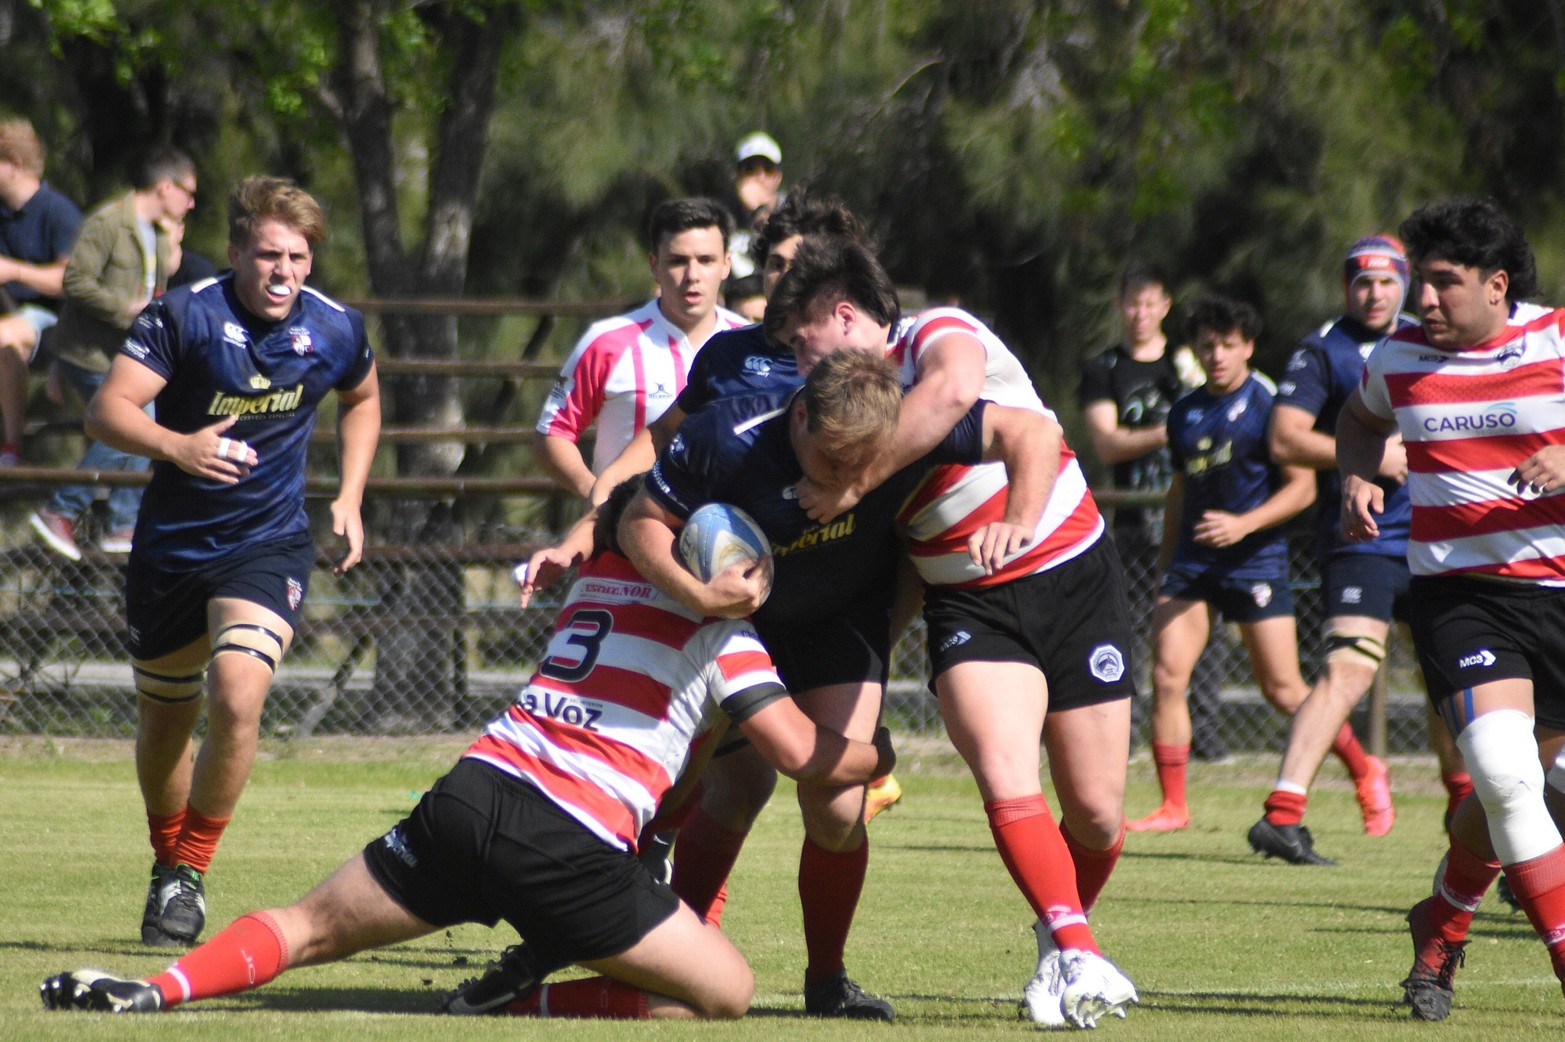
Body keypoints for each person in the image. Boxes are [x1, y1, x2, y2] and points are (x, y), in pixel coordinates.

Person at [39, 478, 897, 1020]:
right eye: (756, 570)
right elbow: (802, 757)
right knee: (722, 993)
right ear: (732, 571)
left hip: (472, 795)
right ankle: (532, 996)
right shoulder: (727, 640)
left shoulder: (595, 583)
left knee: (302, 928)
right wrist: (875, 754)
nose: (758, 586)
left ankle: (156, 990)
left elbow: (629, 499)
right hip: (568, 843)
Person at [769, 238, 1140, 1029]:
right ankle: (1076, 947)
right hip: (969, 606)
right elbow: (895, 554)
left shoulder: (935, 334)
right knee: (1006, 774)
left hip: (1073, 578)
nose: (796, 362)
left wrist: (858, 483)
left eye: (801, 342)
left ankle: (1055, 949)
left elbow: (957, 397)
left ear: (842, 316)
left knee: (1100, 815)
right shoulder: (829, 415)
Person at [84, 175, 381, 948]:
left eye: (297, 256)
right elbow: (107, 408)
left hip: (266, 542)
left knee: (239, 691)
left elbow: (363, 397)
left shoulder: (336, 329)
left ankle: (191, 872)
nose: (283, 271)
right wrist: (177, 445)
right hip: (173, 547)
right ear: (238, 252)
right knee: (165, 720)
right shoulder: (183, 314)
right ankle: (166, 863)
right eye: (267, 255)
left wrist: (349, 497)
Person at [1338, 197, 1565, 1020]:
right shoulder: (1395, 354)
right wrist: (1355, 473)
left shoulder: (1557, 340)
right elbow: (1358, 420)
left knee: (1529, 782)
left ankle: (1440, 921)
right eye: (1418, 283)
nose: (1422, 300)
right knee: (1504, 775)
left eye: (1443, 283)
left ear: (1497, 285)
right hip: (1461, 598)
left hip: (1559, 596)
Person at [1247, 235, 1430, 862]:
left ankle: (1479, 822)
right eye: (1362, 282)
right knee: (1348, 667)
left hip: (1444, 536)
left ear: (1405, 282)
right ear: (1346, 286)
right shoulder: (1321, 350)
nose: (1374, 293)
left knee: (1456, 683)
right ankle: (1283, 812)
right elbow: (1287, 438)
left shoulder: (1429, 339)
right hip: (1366, 538)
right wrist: (1379, 457)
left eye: (1386, 281)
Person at [1128, 294, 1341, 835]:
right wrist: (1166, 564)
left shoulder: (1270, 406)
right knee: (1167, 675)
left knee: (1283, 689)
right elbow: (1179, 492)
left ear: (1247, 346)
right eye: (1207, 346)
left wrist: (1244, 525)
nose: (1217, 355)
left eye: (1227, 345)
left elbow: (1302, 490)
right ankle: (1174, 805)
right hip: (1193, 565)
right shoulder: (1184, 412)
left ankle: (1366, 771)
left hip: (1254, 561)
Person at [1078, 267, 1228, 760]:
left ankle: (1203, 736)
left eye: (1150, 304)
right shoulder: (1104, 369)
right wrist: (1174, 429)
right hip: (1133, 520)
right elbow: (1107, 443)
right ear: (1120, 306)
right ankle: (1125, 730)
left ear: (1165, 306)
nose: (1140, 315)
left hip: (1196, 516)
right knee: (1128, 627)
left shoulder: (1188, 364)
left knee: (1204, 630)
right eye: (1132, 304)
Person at [29, 148, 198, 560]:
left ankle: (122, 522)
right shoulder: (107, 222)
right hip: (88, 353)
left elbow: (157, 286)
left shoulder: (157, 231)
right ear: (165, 186)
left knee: (140, 426)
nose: (192, 203)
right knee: (131, 427)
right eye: (188, 192)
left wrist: (171, 251)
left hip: (122, 355)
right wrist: (122, 308)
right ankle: (60, 508)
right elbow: (77, 281)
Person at [534, 197, 743, 497]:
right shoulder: (607, 341)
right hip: (625, 535)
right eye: (677, 261)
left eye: (706, 260)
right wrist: (599, 495)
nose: (692, 275)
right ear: (654, 266)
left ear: (726, 265)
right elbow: (552, 436)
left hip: (727, 534)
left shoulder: (749, 342)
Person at [0, 115, 82, 466]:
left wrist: (14, 271)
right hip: (14, 325)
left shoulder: (59, 213)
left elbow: (71, 281)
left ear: (14, 164)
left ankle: (12, 448)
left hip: (56, 323)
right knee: (7, 346)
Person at [726, 131, 784, 281]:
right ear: (738, 175)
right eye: (750, 169)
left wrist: (759, 211)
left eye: (768, 169)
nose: (760, 176)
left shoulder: (791, 213)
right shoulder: (724, 215)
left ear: (778, 177)